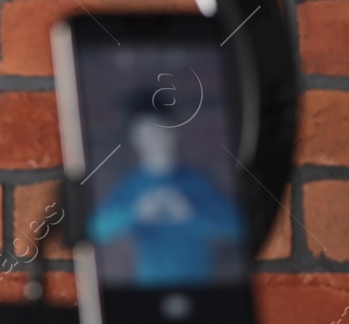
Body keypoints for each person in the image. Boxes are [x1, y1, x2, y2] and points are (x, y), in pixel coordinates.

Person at [90, 107, 246, 286]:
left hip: (201, 287)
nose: (152, 141)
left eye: (158, 130)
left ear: (174, 132)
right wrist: (136, 212)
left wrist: (192, 214)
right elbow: (95, 230)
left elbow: (238, 226)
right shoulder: (130, 186)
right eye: (144, 134)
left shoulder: (197, 182)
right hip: (150, 290)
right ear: (134, 138)